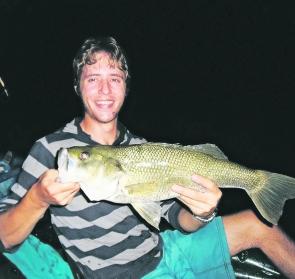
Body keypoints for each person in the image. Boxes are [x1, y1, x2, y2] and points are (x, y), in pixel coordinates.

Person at [0, 37, 294, 279]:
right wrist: (38, 198)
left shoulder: (141, 147)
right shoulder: (52, 148)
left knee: (261, 226)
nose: (105, 90)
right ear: (78, 86)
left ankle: (256, 182)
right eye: (93, 79)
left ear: (126, 86)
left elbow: (177, 219)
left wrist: (202, 212)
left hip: (165, 251)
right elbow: (5, 236)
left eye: (115, 79)